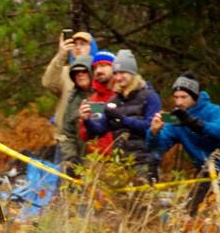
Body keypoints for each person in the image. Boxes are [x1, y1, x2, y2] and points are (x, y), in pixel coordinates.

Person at [148, 72, 220, 215]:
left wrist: (193, 123)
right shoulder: (176, 119)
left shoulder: (213, 111)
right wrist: (154, 133)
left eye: (184, 97)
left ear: (195, 97)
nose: (178, 102)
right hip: (204, 174)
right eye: (176, 97)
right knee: (190, 214)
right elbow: (159, 147)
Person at [81, 49, 161, 183]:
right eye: (116, 73)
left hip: (145, 162)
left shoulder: (150, 97)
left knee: (141, 202)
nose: (118, 77)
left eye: (122, 73)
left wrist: (122, 119)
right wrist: (86, 120)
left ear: (132, 73)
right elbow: (100, 130)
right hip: (120, 163)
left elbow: (150, 126)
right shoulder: (114, 101)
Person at [43, 31, 96, 145]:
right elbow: (48, 83)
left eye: (82, 44)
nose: (78, 48)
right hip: (65, 140)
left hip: (93, 141)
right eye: (75, 44)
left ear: (92, 47)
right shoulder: (66, 72)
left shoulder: (100, 72)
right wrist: (61, 55)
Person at [58, 54, 94, 173]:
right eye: (76, 72)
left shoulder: (105, 95)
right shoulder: (73, 101)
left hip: (103, 160)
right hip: (80, 163)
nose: (80, 74)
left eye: (84, 70)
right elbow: (67, 134)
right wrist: (71, 158)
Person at [78, 50, 115, 156]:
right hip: (97, 161)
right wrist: (84, 119)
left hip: (125, 160)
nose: (98, 71)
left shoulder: (125, 96)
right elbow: (85, 135)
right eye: (95, 67)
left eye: (103, 65)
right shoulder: (93, 101)